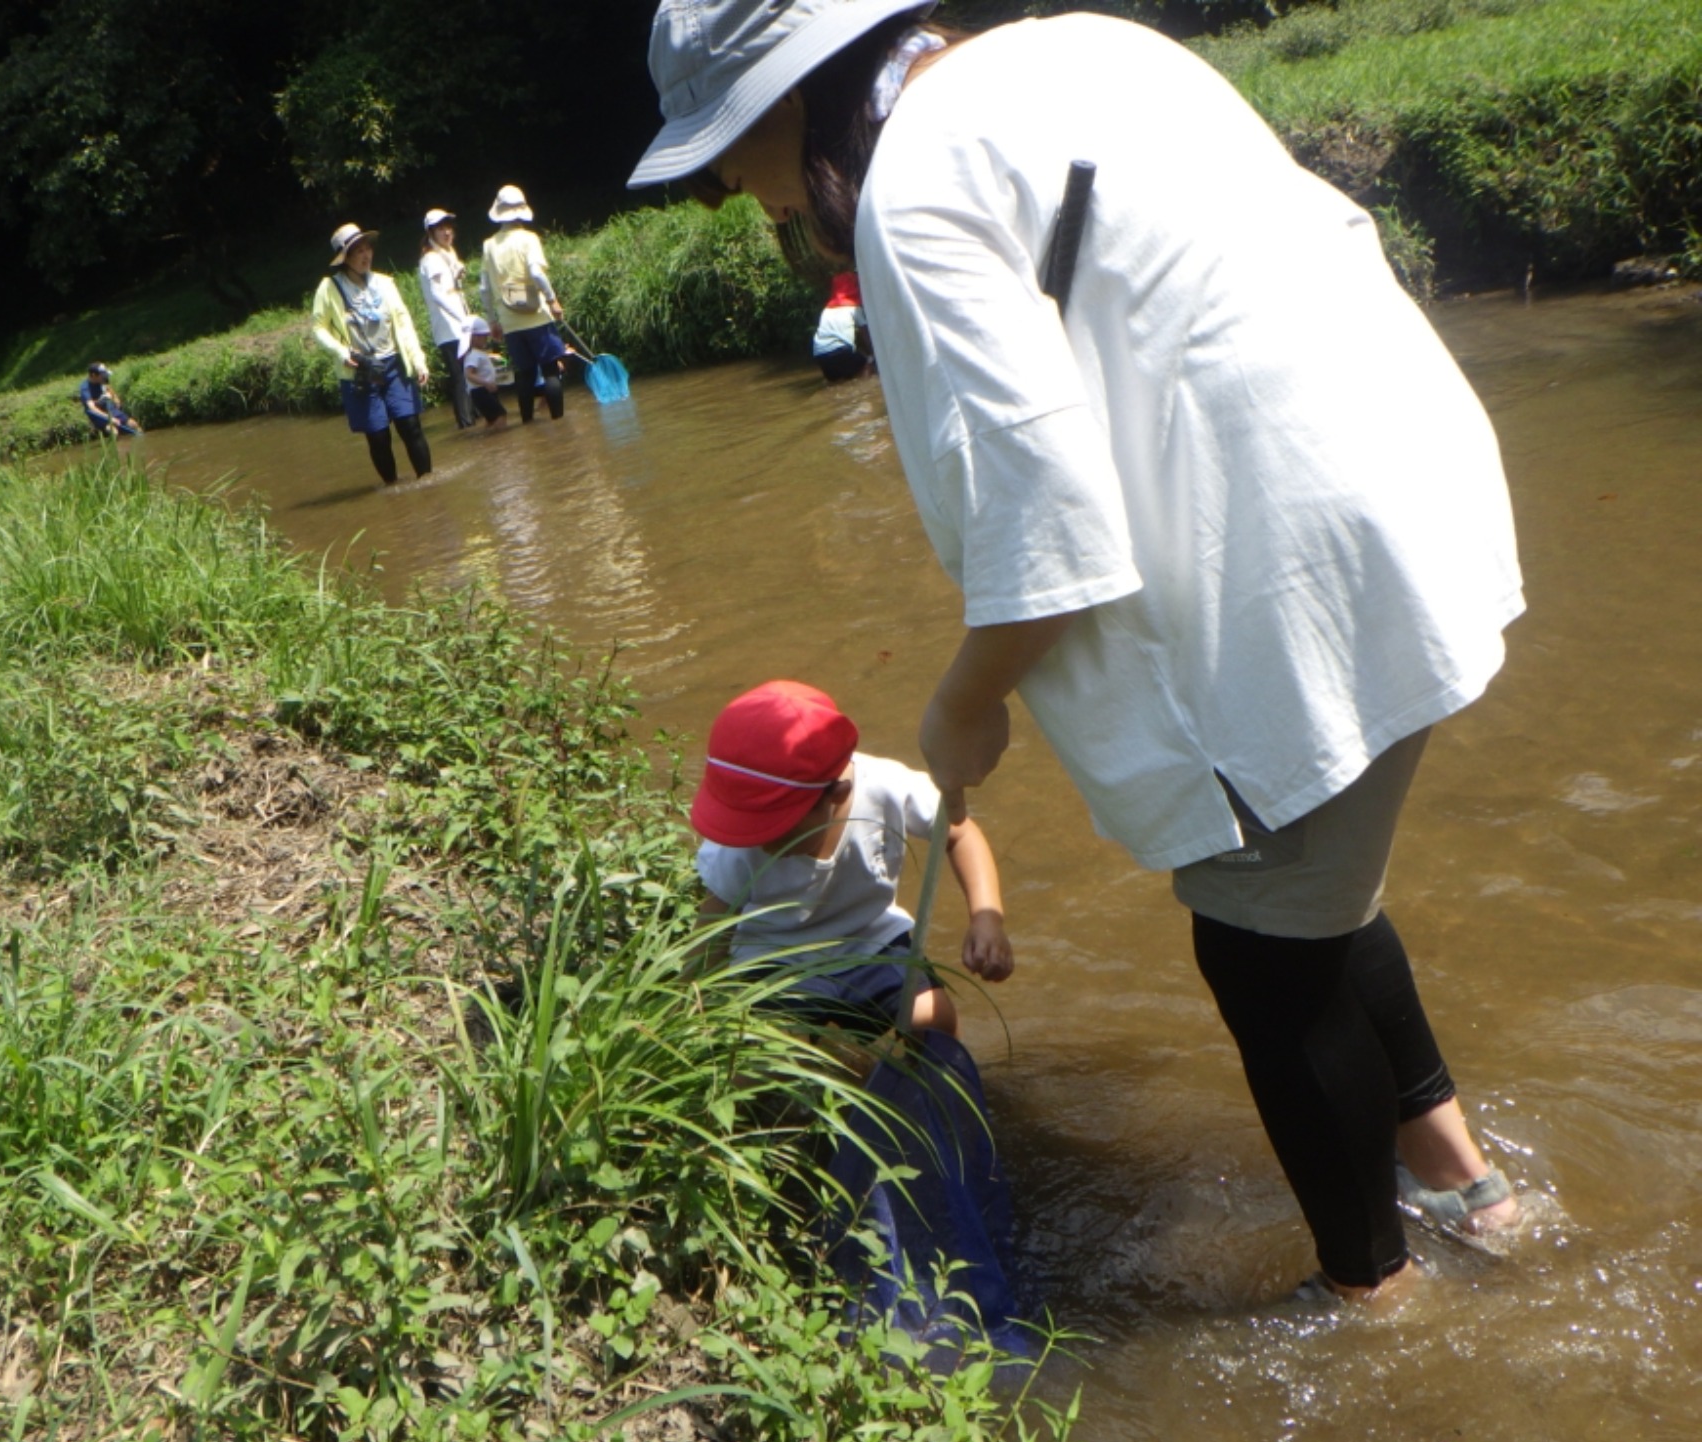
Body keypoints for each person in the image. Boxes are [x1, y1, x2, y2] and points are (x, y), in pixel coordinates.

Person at [631, 0, 1526, 1302]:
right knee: (1318, 891)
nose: (724, 190)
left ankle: (1378, 1308)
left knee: (1261, 949)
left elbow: (1044, 511)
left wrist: (964, 703)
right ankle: (1464, 1184)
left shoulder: (910, 194)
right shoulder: (1075, 49)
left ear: (786, 99)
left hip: (1283, 573)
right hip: (1411, 475)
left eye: (720, 154)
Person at [692, 680, 1013, 1039]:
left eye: (775, 828)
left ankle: (919, 1084)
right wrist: (689, 1010)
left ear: (836, 795)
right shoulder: (735, 846)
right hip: (776, 958)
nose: (759, 840)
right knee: (775, 1053)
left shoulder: (886, 786)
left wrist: (986, 918)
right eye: (746, 825)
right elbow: (711, 936)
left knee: (933, 1020)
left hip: (870, 940)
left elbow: (959, 832)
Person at [311, 222, 433, 485]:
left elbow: (404, 323)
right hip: (360, 370)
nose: (366, 255)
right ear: (346, 258)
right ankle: (393, 488)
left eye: (368, 249)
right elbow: (318, 328)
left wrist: (418, 360)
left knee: (410, 426)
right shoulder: (329, 288)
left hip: (394, 363)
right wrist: (341, 351)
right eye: (358, 251)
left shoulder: (385, 283)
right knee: (378, 436)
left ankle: (428, 484)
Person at [479, 185, 568, 424]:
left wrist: (492, 321)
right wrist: (552, 300)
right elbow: (537, 274)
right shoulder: (528, 239)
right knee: (550, 370)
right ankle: (559, 423)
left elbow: (484, 288)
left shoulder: (489, 245)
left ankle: (528, 423)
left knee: (526, 374)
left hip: (509, 322)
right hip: (537, 315)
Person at [419, 208, 479, 430]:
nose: (447, 232)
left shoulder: (447, 254)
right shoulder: (431, 259)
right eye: (441, 228)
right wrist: (461, 318)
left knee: (469, 372)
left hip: (460, 325)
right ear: (431, 233)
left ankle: (474, 418)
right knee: (460, 377)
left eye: (448, 227)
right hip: (449, 329)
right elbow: (437, 295)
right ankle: (466, 424)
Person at [812, 270, 872, 381]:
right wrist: (873, 353)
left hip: (819, 353)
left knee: (836, 382)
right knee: (866, 362)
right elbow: (866, 335)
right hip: (840, 350)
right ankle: (864, 388)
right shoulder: (854, 308)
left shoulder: (826, 310)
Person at [460, 316, 510, 429]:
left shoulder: (478, 353)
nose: (486, 339)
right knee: (500, 416)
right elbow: (469, 374)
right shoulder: (473, 355)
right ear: (473, 338)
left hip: (485, 391)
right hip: (481, 392)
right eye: (483, 337)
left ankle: (488, 440)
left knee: (492, 419)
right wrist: (486, 383)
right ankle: (499, 439)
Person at [78, 363, 142, 438]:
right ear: (93, 375)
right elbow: (92, 408)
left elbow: (108, 387)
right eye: (102, 376)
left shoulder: (102, 380)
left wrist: (115, 398)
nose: (105, 377)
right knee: (114, 432)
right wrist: (110, 418)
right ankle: (116, 447)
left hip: (110, 409)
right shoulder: (85, 388)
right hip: (99, 415)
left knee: (134, 425)